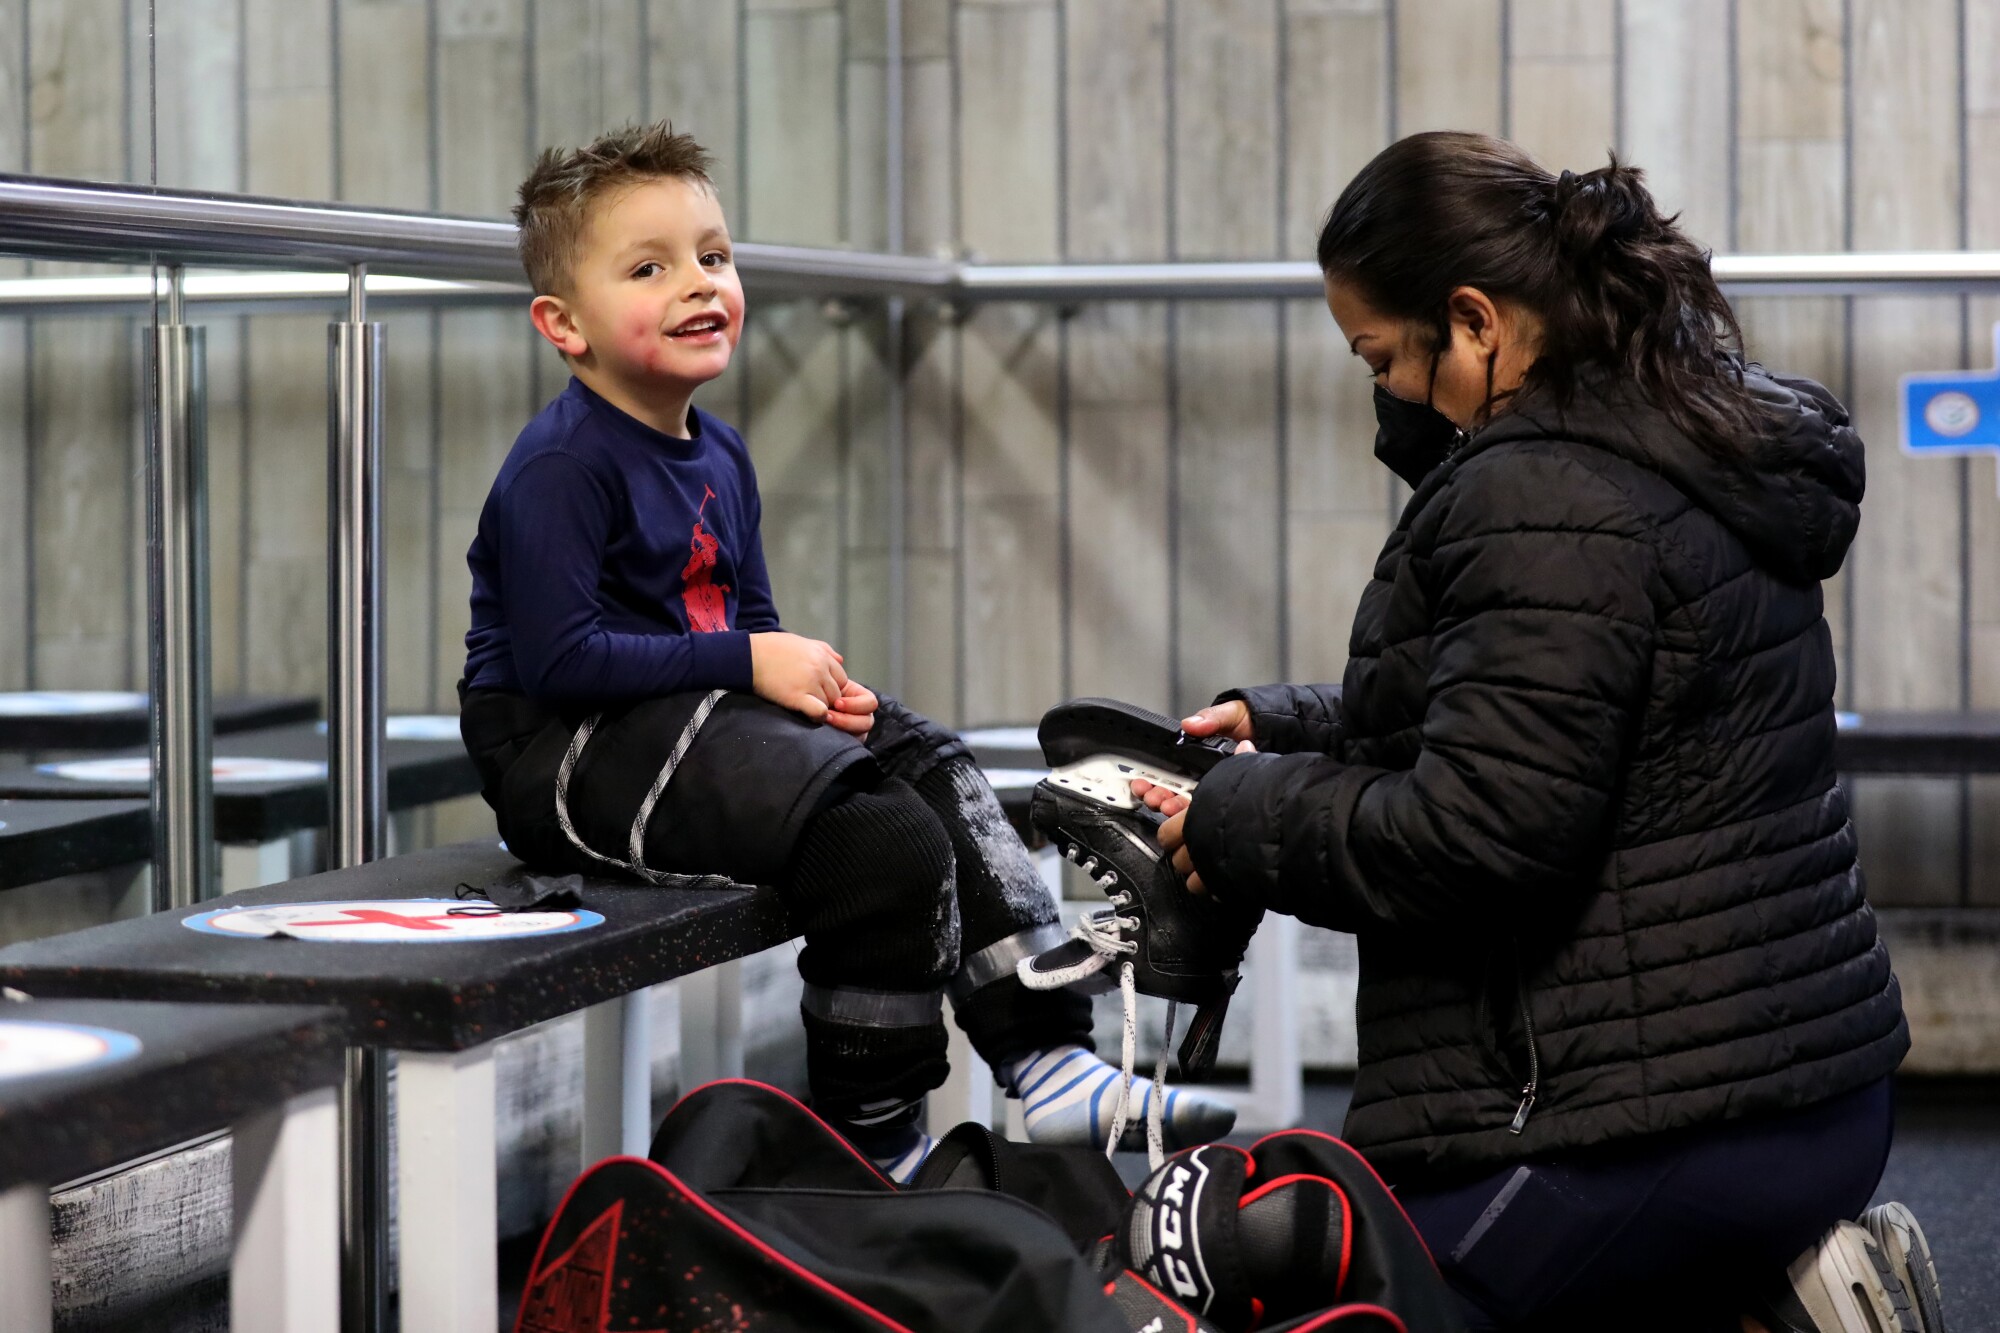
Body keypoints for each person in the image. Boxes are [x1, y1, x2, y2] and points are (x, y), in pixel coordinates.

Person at [1133, 132, 1943, 1333]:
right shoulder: (1677, 433)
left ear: (1473, 321)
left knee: (1347, 1296)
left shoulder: (1541, 490)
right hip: (1793, 1085)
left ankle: (1739, 1299)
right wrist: (1294, 722)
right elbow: (1553, 702)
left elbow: (1480, 834)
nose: (1386, 398)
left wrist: (1244, 817)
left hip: (1649, 1126)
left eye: (1381, 358)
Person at [455, 122, 1235, 1181]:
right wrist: (748, 666)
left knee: (933, 767)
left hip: (676, 723)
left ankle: (1049, 1066)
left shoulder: (719, 452)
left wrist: (813, 697)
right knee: (879, 846)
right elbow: (558, 663)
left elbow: (750, 628)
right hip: (560, 750)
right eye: (649, 267)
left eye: (713, 257)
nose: (698, 283)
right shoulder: (561, 465)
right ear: (563, 324)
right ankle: (875, 1148)